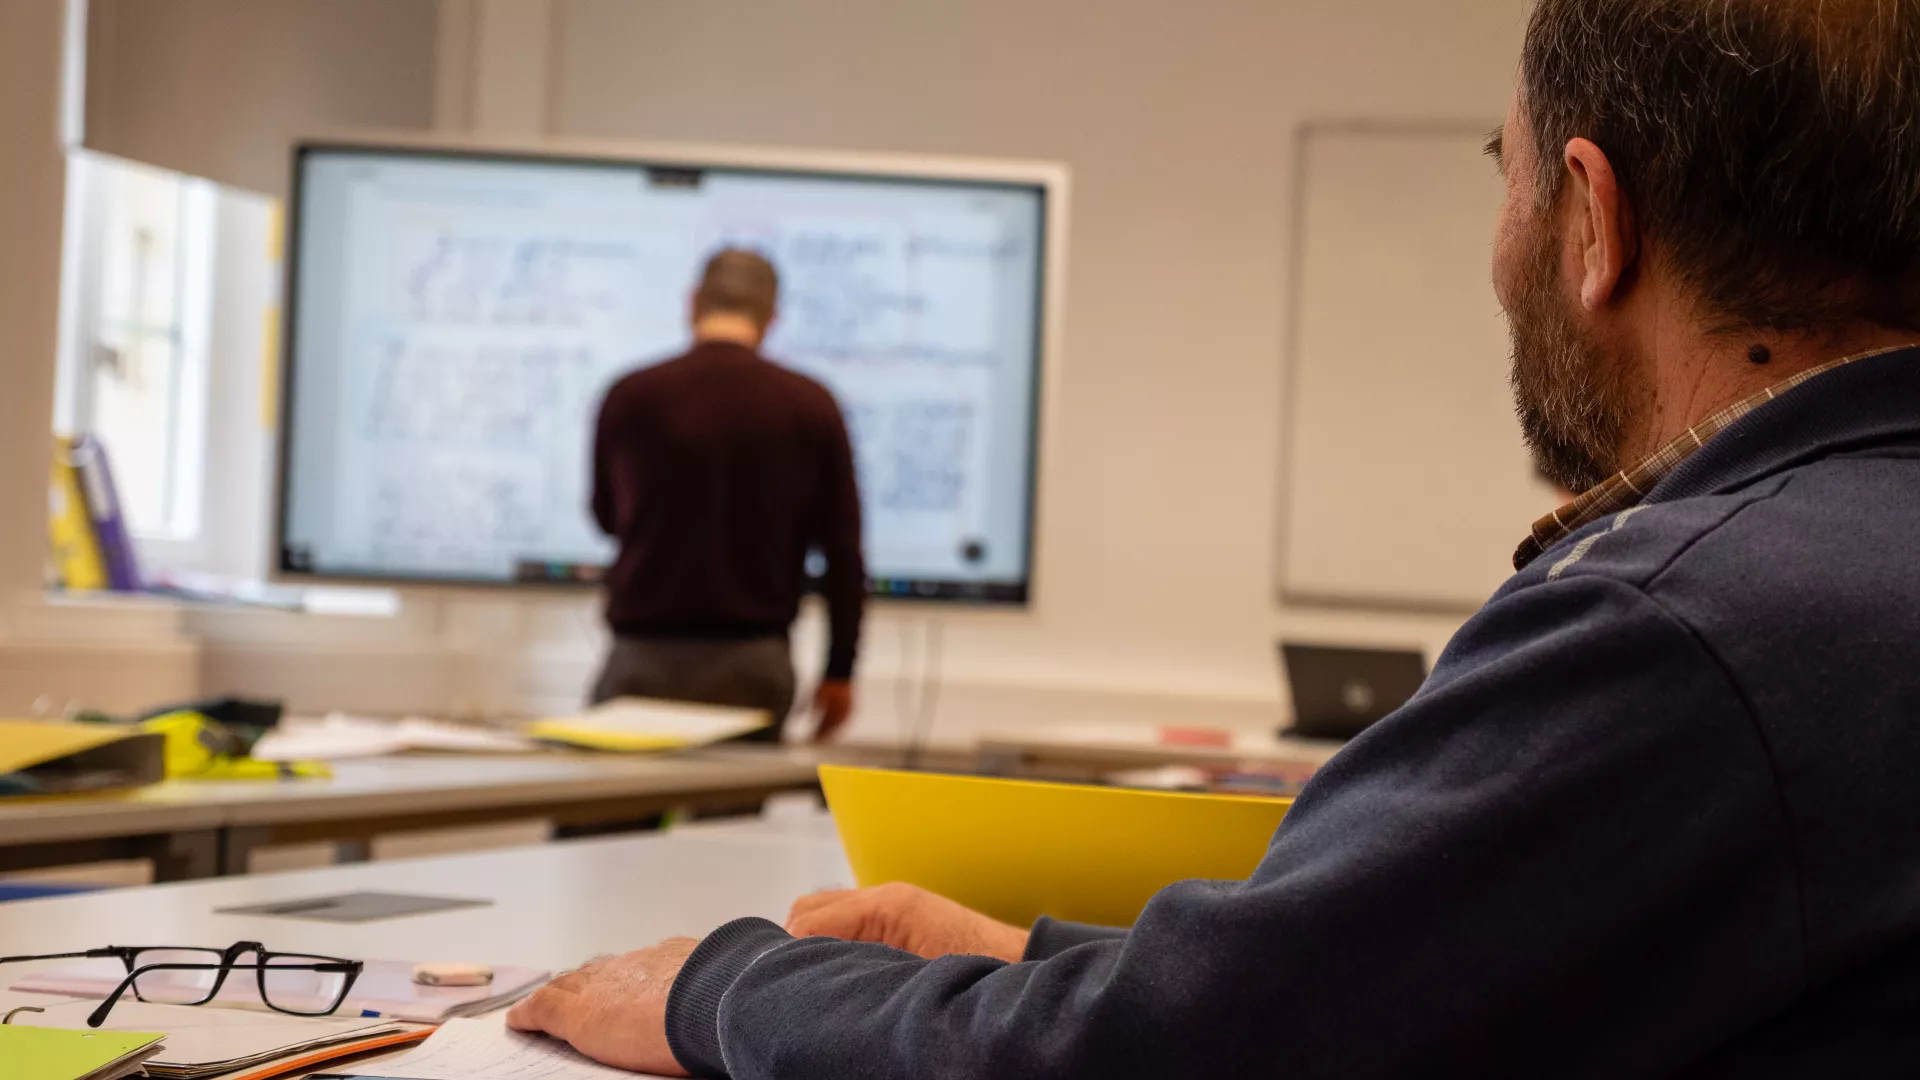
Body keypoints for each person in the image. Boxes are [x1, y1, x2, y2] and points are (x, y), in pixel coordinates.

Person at [515, 0, 1920, 1074]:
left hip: (641, 651)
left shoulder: (1686, 626)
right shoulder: (1850, 565)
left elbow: (1192, 1058)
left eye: (1509, 174)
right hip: (759, 662)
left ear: (1595, 220)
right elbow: (1411, 980)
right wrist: (1036, 955)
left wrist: (721, 988)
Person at [589, 249, 865, 743]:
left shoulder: (631, 394)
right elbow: (843, 552)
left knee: (613, 816)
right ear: (771, 316)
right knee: (731, 823)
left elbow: (606, 517)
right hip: (753, 663)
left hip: (641, 659)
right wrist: (839, 670)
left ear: (692, 303)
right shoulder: (810, 404)